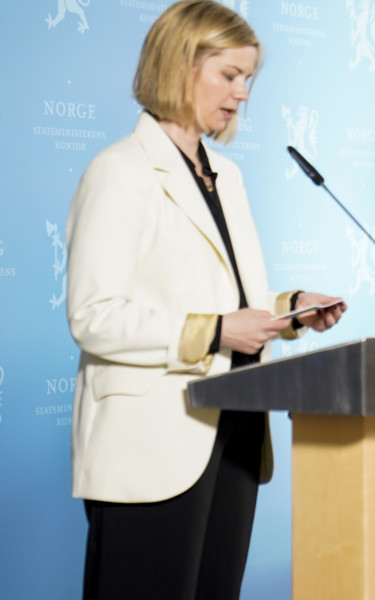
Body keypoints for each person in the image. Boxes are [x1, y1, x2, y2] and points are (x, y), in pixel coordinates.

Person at [65, 2, 346, 598]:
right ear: (178, 64)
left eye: (249, 79)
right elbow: (94, 316)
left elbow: (225, 298)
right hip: (152, 443)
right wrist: (216, 332)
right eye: (229, 75)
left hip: (236, 431)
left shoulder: (226, 174)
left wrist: (291, 308)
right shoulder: (119, 171)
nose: (243, 94)